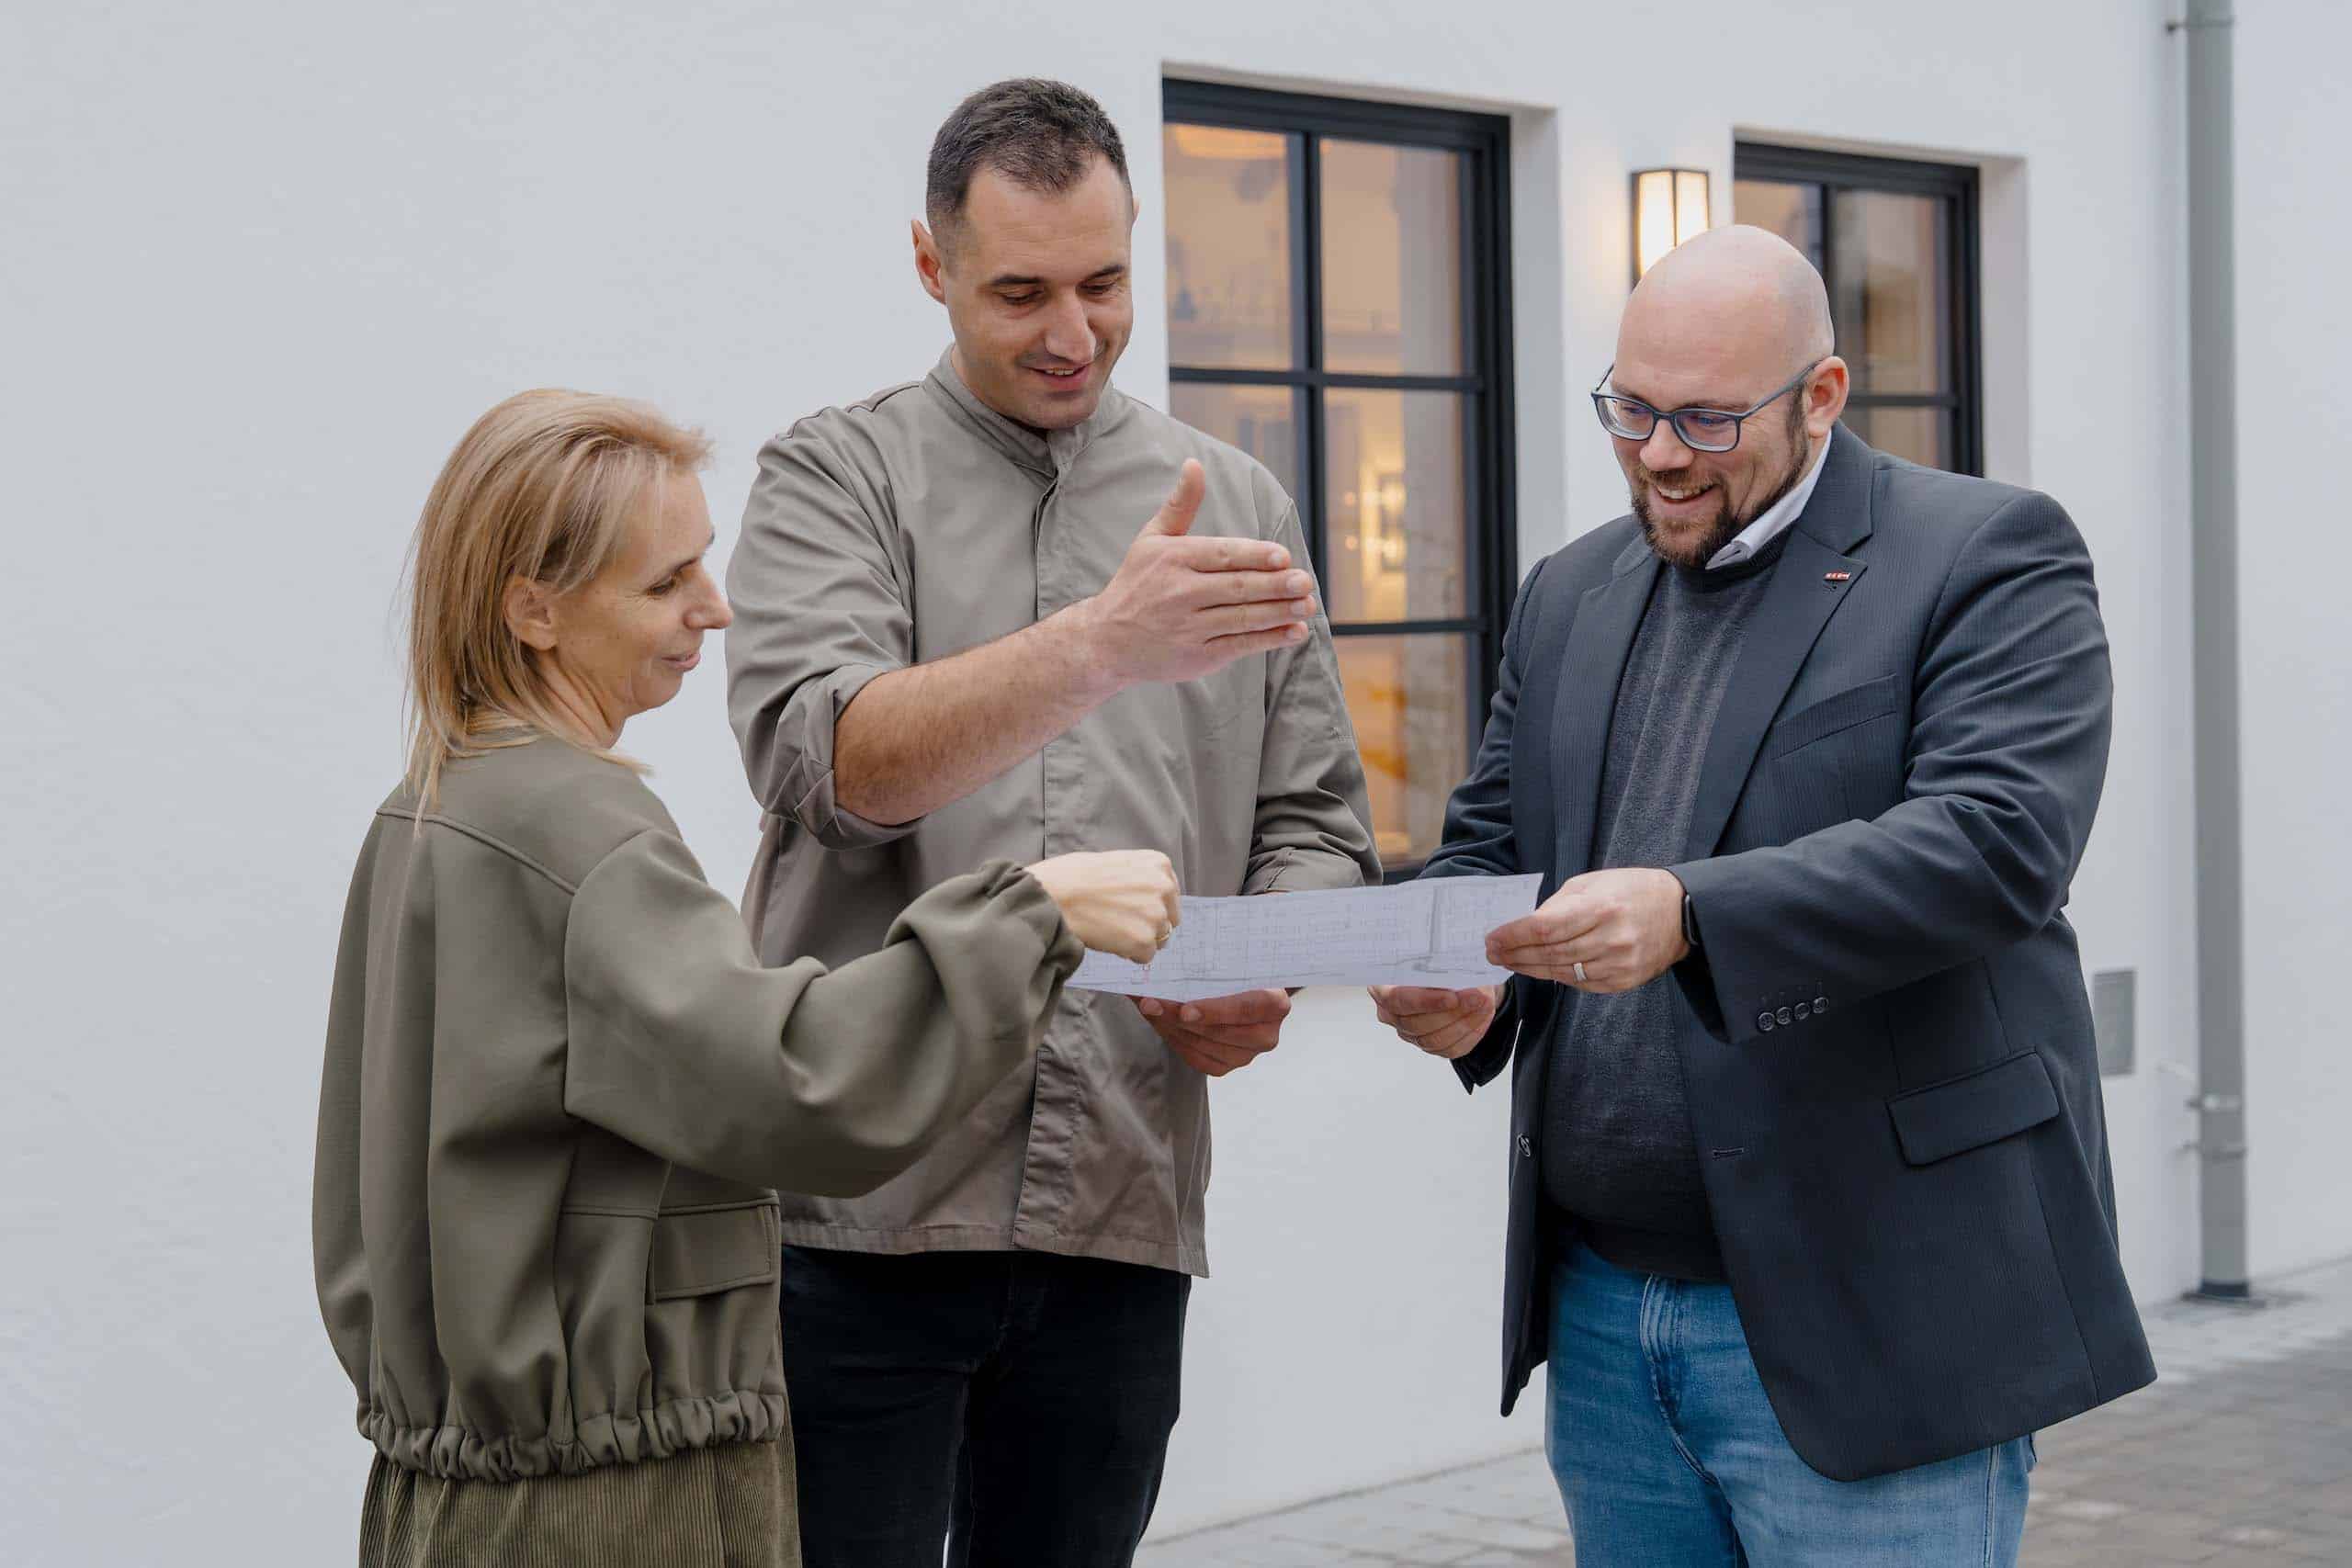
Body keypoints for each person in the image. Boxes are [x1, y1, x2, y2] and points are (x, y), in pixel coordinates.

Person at [1370, 225, 2154, 1566]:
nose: (1660, 453)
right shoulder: (1569, 591)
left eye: (1707, 417)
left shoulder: (1986, 552)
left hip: (1880, 1307)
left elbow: (1995, 840)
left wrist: (1691, 909)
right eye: (1631, 408)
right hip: (1607, 1315)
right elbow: (1493, 841)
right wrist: (1463, 978)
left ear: (1825, 396)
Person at [312, 389, 1184, 1568]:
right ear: (535, 609)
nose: (712, 612)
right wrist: (1036, 914)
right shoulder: (580, 828)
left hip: (455, 1483)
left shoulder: (435, 806)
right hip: (611, 1503)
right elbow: (796, 1083)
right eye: (665, 583)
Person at [725, 78, 1378, 1567]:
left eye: (1102, 282)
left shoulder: (1244, 504)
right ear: (927, 262)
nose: (1070, 331)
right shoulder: (837, 474)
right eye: (1019, 290)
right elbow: (829, 764)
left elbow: (1317, 816)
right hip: (857, 1220)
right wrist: (1100, 642)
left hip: (1120, 1209)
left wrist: (1261, 967)